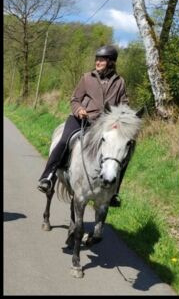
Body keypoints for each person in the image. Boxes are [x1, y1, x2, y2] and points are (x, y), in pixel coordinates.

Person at [37, 45, 129, 207]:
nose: (98, 62)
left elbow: (124, 104)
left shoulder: (119, 82)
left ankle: (114, 192)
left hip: (105, 125)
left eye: (102, 60)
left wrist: (122, 118)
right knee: (64, 141)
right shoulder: (87, 77)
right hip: (82, 119)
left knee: (124, 152)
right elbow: (74, 99)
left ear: (111, 62)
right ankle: (48, 176)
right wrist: (79, 109)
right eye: (97, 59)